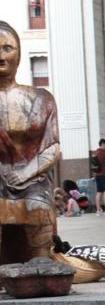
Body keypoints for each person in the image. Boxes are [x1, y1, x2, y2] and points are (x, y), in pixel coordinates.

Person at [0, 20, 61, 264]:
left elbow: (53, 147)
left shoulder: (41, 98)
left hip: (32, 180)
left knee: (38, 208)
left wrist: (26, 173)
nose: (1, 55)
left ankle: (41, 264)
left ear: (19, 54)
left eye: (7, 48)